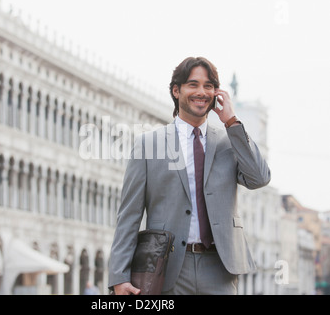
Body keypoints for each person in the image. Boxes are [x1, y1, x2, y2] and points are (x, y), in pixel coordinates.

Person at [108, 57, 271, 295]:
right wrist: (119, 277)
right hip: (167, 268)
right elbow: (129, 215)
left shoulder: (229, 142)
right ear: (176, 90)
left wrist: (232, 122)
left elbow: (259, 178)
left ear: (216, 93)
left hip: (219, 268)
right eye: (193, 85)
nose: (201, 92)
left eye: (208, 86)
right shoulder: (148, 145)